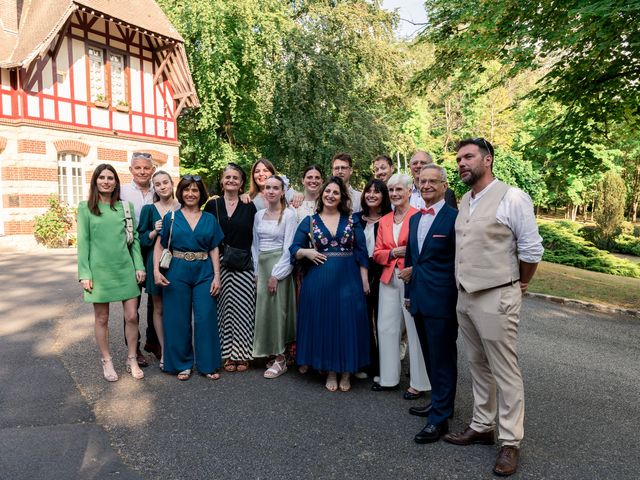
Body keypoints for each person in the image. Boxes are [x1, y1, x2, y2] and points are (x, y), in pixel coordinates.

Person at [443, 138, 543, 477]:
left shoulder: (512, 197)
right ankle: (482, 425)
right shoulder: (466, 201)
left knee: (505, 369)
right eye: (459, 158)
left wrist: (519, 282)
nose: (461, 163)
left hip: (497, 294)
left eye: (468, 157)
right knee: (477, 364)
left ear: (488, 160)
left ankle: (511, 441)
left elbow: (531, 250)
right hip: (466, 295)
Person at [291, 177, 370, 392]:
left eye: (336, 192)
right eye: (327, 192)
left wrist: (364, 280)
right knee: (325, 323)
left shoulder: (352, 221)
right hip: (318, 280)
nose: (331, 195)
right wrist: (307, 251)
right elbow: (294, 248)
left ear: (342, 197)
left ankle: (347, 372)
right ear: (321, 194)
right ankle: (331, 371)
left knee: (347, 323)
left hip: (349, 278)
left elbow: (362, 252)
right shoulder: (309, 221)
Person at [400, 164, 458, 444]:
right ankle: (439, 403)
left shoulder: (454, 219)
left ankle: (440, 419)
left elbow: (460, 262)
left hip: (443, 299)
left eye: (433, 182)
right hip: (420, 299)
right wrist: (409, 293)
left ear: (444, 186)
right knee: (429, 356)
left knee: (443, 359)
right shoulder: (414, 219)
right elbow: (412, 260)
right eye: (422, 181)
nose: (426, 186)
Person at [77, 163, 146, 382]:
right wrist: (84, 273)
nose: (106, 181)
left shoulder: (125, 208)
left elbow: (133, 240)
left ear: (116, 182)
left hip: (125, 269)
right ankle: (106, 361)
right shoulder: (85, 208)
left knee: (132, 316)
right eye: (102, 177)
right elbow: (83, 243)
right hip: (99, 272)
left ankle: (132, 358)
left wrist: (139, 266)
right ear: (95, 181)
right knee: (102, 318)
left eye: (110, 178)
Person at [153, 175, 224, 381]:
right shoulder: (171, 218)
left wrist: (217, 276)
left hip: (204, 271)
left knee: (205, 317)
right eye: (186, 190)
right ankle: (181, 364)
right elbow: (160, 245)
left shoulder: (210, 219)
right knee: (177, 318)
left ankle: (207, 364)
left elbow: (214, 247)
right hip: (177, 270)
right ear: (180, 192)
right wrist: (157, 271)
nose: (190, 194)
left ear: (201, 193)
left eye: (195, 190)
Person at [372, 173, 430, 398]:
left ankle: (419, 383)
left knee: (414, 330)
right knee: (386, 328)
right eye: (391, 190)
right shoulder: (385, 220)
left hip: (411, 278)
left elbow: (425, 252)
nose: (395, 194)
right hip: (388, 278)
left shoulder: (419, 216)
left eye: (399, 190)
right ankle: (388, 378)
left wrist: (411, 263)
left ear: (409, 192)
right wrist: (393, 252)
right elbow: (377, 254)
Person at [204, 164, 257, 373]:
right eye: (228, 177)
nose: (232, 180)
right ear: (222, 180)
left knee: (244, 309)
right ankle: (227, 353)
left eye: (236, 177)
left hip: (244, 263)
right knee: (223, 309)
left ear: (242, 182)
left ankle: (242, 354)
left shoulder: (249, 205)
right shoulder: (212, 205)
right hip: (220, 263)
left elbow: (256, 237)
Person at [251, 176, 297, 378]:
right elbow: (255, 245)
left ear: (282, 191)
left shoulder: (289, 214)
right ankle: (269, 351)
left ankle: (281, 358)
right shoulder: (259, 215)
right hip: (262, 265)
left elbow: (289, 247)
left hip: (279, 265)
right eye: (267, 187)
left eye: (275, 188)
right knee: (264, 311)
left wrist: (276, 275)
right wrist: (257, 272)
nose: (270, 191)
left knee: (279, 312)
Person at [137, 171, 180, 370]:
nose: (162, 186)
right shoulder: (149, 209)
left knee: (177, 308)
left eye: (165, 182)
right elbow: (141, 239)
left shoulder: (182, 207)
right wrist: (154, 230)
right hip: (155, 263)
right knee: (159, 308)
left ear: (172, 184)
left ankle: (177, 346)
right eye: (158, 184)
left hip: (178, 263)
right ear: (154, 188)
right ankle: (163, 348)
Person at [120, 151, 159, 367]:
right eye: (138, 168)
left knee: (156, 301)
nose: (142, 171)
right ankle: (134, 349)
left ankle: (154, 343)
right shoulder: (122, 191)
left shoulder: (159, 189)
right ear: (131, 170)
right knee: (131, 305)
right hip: (129, 252)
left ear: (152, 170)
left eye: (146, 168)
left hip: (155, 250)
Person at [353, 178, 392, 380]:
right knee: (363, 320)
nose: (371, 195)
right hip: (359, 272)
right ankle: (365, 363)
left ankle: (383, 367)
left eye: (377, 192)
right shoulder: (355, 219)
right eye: (368, 191)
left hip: (383, 272)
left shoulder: (390, 218)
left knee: (383, 322)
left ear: (384, 196)